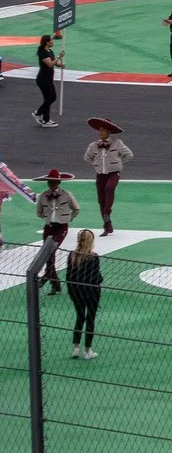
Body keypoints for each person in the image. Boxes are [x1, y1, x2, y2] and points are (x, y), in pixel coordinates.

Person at [83, 118, 131, 234]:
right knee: (101, 199)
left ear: (109, 131)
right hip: (100, 174)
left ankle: (107, 211)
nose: (100, 133)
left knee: (109, 188)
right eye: (99, 130)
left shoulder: (117, 143)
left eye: (103, 130)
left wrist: (118, 163)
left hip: (113, 173)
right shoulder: (93, 145)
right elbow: (87, 158)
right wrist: (97, 165)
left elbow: (128, 155)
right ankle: (107, 226)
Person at [32, 169, 76, 292]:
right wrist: (48, 219)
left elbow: (76, 209)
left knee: (50, 252)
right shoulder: (43, 196)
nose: (51, 184)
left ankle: (47, 278)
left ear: (59, 182)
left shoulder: (67, 195)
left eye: (53, 182)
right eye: (49, 182)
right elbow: (39, 213)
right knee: (48, 255)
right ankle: (54, 283)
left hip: (61, 228)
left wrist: (67, 219)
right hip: (48, 228)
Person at [63, 229, 102, 359]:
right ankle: (88, 350)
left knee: (79, 318)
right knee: (90, 320)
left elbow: (69, 276)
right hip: (91, 293)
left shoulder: (72, 255)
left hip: (76, 292)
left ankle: (75, 347)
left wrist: (71, 292)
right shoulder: (93, 257)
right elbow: (95, 278)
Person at [31, 30, 60, 128]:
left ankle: (43, 117)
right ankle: (42, 116)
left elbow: (54, 63)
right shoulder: (42, 52)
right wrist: (59, 56)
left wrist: (60, 64)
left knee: (52, 97)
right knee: (48, 98)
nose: (53, 42)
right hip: (43, 79)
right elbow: (50, 64)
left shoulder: (50, 51)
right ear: (47, 42)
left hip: (48, 79)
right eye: (52, 40)